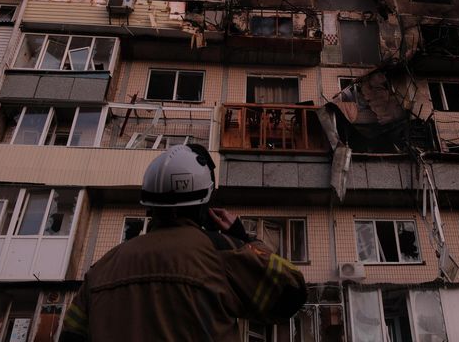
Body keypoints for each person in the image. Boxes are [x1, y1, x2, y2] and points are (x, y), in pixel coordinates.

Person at [60, 144, 307, 341]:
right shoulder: (221, 253)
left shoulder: (101, 269)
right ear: (205, 204)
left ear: (149, 204)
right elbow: (292, 291)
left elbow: (71, 336)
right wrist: (243, 237)